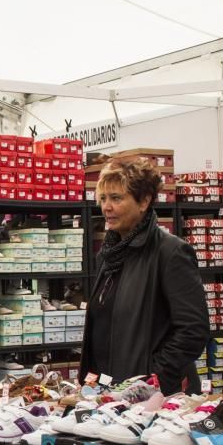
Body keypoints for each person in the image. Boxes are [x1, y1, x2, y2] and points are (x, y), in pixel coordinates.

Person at [80, 157, 209, 395]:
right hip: (111, 390)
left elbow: (193, 329)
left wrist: (155, 374)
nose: (106, 207)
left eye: (116, 198)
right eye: (103, 198)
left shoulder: (170, 252)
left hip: (154, 395)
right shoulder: (110, 254)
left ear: (144, 201)